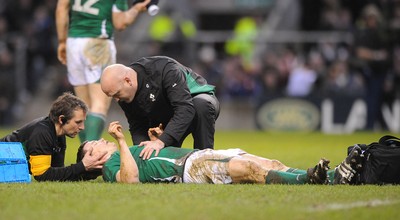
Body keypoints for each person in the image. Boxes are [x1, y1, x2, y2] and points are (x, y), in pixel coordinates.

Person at [76, 121, 363, 185]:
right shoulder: (111, 168)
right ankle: (309, 181)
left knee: (267, 162)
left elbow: (147, 158)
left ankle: (333, 176)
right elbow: (131, 181)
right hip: (187, 168)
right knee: (247, 169)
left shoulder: (124, 153)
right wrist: (123, 143)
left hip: (195, 155)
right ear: (91, 161)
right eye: (93, 146)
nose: (99, 141)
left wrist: (154, 140)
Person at [55, 0, 151, 142]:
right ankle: (92, 153)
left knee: (82, 105)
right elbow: (120, 23)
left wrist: (62, 41)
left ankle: (85, 152)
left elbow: (61, 8)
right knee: (99, 103)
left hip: (73, 43)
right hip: (97, 42)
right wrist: (136, 9)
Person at [100, 56, 220, 160]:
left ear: (127, 81)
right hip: (167, 115)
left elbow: (185, 109)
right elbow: (137, 126)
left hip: (194, 103)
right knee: (157, 157)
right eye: (112, 96)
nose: (117, 100)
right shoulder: (124, 95)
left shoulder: (165, 69)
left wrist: (161, 141)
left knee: (201, 106)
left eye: (116, 94)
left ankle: (205, 159)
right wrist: (142, 152)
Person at [0, 92, 107, 182]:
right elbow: (42, 175)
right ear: (61, 119)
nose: (82, 127)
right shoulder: (42, 132)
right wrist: (83, 165)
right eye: (78, 122)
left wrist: (90, 171)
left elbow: (58, 173)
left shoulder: (59, 135)